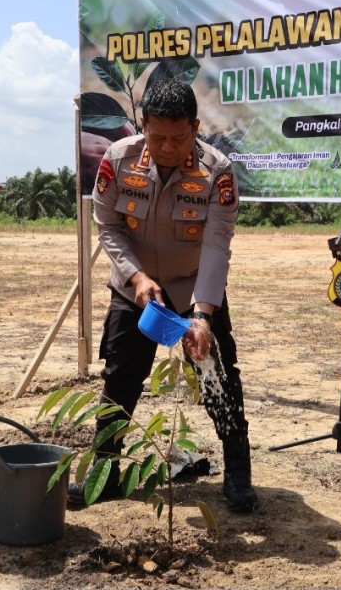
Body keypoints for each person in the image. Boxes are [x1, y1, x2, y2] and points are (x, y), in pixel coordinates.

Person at [80, 78, 258, 513]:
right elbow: (109, 227)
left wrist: (202, 317)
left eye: (179, 138)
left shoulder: (217, 171)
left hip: (195, 286)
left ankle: (238, 472)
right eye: (157, 136)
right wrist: (137, 278)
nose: (167, 147)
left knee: (218, 377)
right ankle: (104, 472)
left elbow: (217, 244)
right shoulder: (117, 160)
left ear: (195, 127)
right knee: (119, 380)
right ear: (143, 124)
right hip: (135, 286)